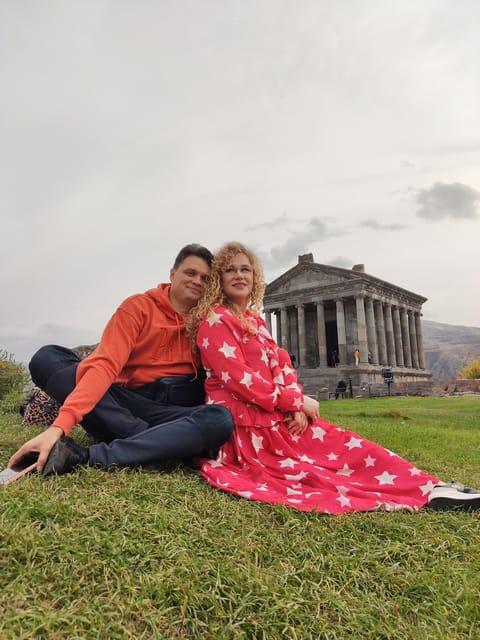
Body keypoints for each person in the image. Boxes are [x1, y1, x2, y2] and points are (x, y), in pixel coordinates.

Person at [187, 242, 480, 514]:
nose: (239, 276)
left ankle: (432, 487)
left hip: (277, 417)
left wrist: (296, 404)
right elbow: (238, 379)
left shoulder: (254, 320)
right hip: (249, 426)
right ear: (218, 278)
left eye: (245, 269)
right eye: (230, 270)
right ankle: (423, 493)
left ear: (254, 276)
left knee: (348, 447)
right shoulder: (215, 321)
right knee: (320, 470)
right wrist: (295, 400)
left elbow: (282, 363)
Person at [9, 244, 234, 476]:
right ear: (172, 274)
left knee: (220, 419)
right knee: (48, 358)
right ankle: (153, 442)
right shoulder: (138, 307)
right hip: (124, 400)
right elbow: (106, 364)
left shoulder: (212, 321)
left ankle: (93, 454)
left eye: (206, 278)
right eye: (190, 273)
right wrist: (59, 426)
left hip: (171, 409)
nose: (197, 281)